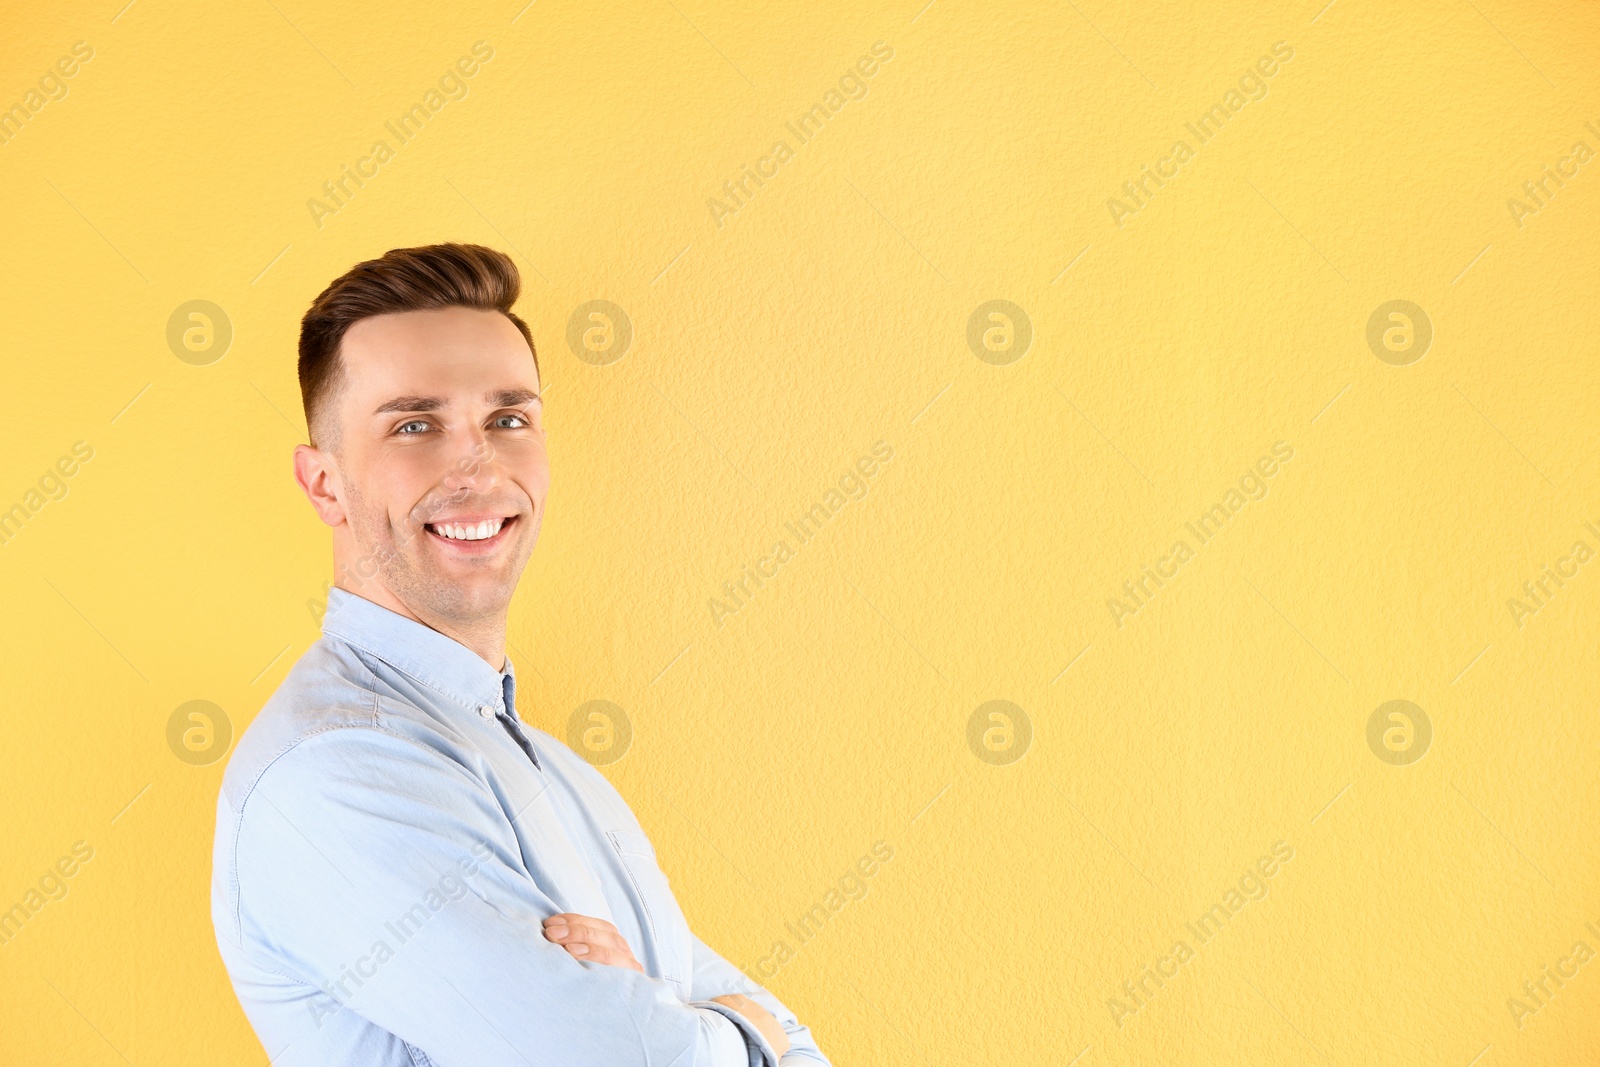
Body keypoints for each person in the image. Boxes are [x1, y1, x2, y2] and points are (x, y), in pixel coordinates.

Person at [209, 243, 830, 1067]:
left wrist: (681, 1026)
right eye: (415, 425)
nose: (479, 465)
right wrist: (737, 1023)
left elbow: (800, 1052)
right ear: (324, 483)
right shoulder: (334, 770)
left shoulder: (563, 776)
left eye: (508, 419)